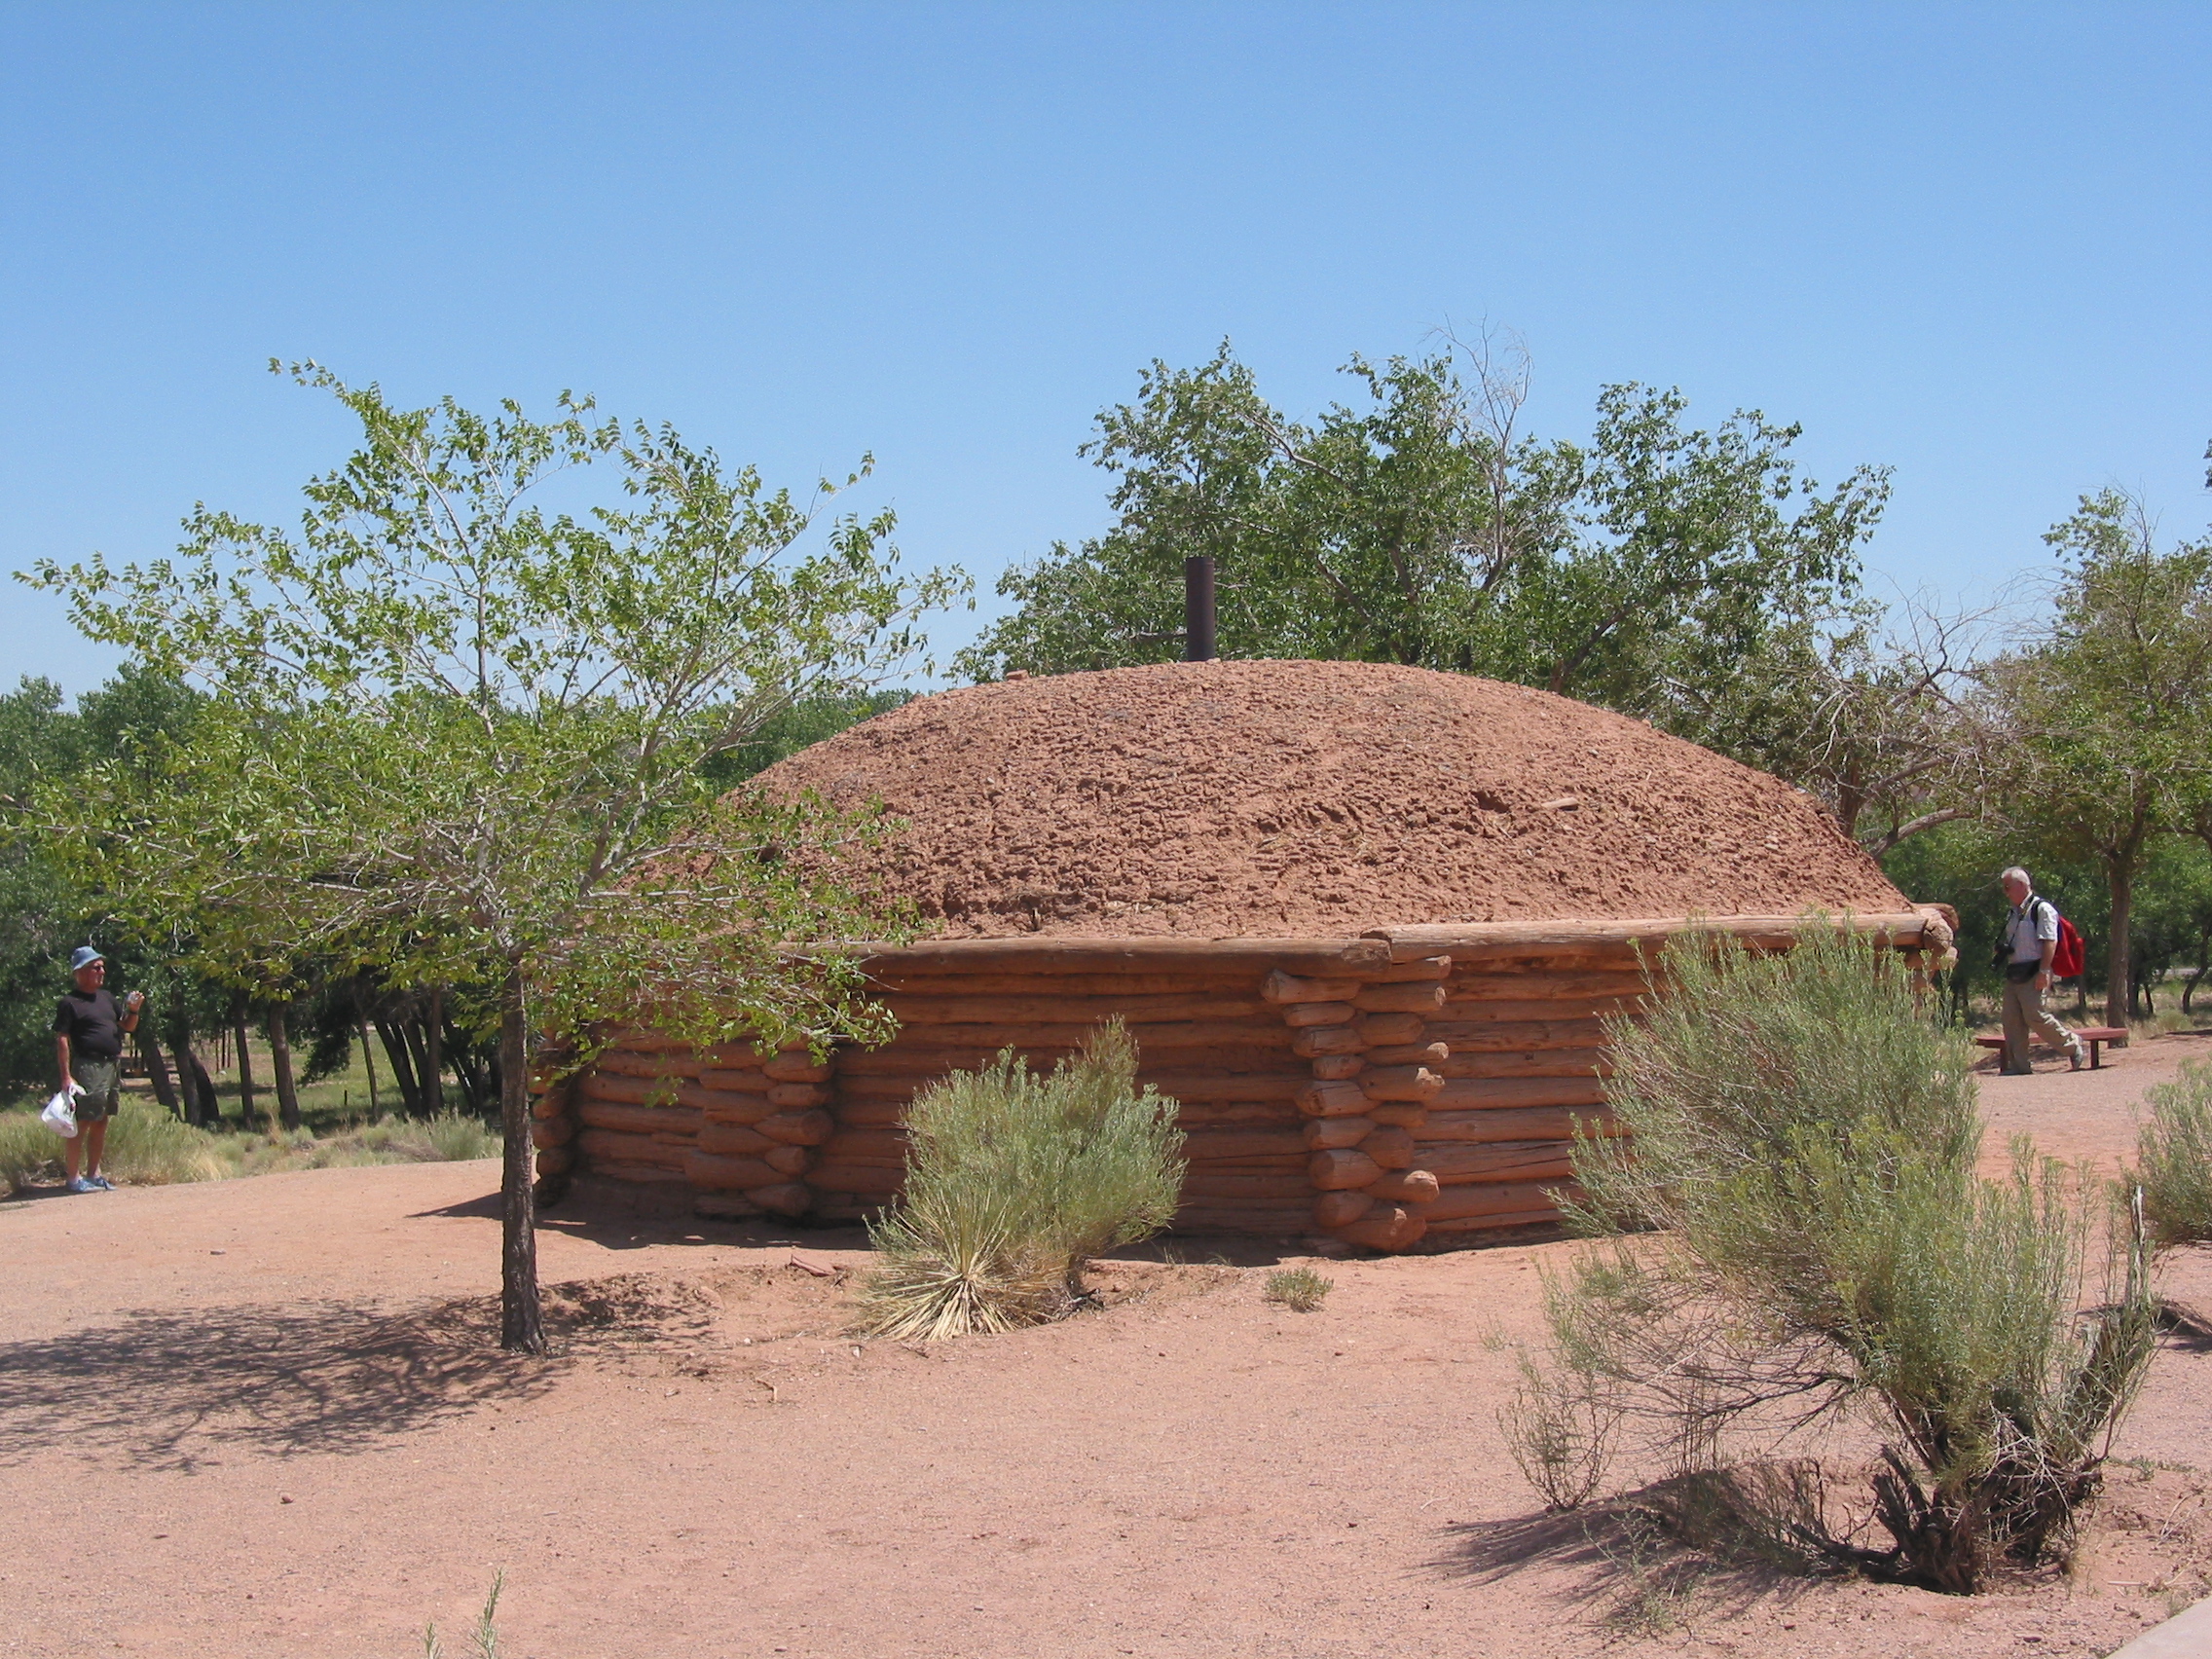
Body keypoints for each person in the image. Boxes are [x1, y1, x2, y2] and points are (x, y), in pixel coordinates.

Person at [53, 945, 144, 1193]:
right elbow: (62, 1039)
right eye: (96, 967)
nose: (101, 971)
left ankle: (94, 1174)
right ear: (80, 972)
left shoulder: (107, 998)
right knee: (82, 1121)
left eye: (102, 966)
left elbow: (128, 1026)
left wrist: (133, 1010)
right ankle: (73, 1178)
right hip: (88, 1066)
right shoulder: (70, 1003)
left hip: (111, 1064)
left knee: (101, 1120)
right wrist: (66, 1076)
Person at [1996, 867, 2084, 1075]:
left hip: (2035, 970)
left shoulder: (2042, 909)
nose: (2005, 892)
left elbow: (2049, 941)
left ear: (2022, 885)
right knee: (2011, 1019)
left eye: (2008, 887)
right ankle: (2019, 1066)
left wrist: (2045, 971)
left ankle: (2072, 1045)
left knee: (2036, 1016)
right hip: (2014, 971)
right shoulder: (2012, 912)